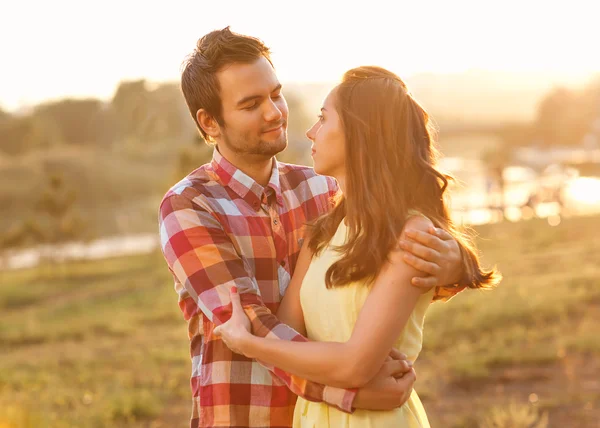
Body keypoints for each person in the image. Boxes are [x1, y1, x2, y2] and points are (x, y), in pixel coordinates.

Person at [158, 27, 469, 428]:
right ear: (210, 122)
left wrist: (454, 265)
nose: (274, 112)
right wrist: (351, 390)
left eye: (275, 94)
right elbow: (250, 324)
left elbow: (379, 282)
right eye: (252, 104)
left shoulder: (325, 189)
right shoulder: (189, 206)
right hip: (247, 415)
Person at [213, 66, 501, 427]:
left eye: (323, 118)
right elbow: (289, 332)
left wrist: (249, 344)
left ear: (361, 132)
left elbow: (355, 365)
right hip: (313, 417)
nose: (310, 131)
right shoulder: (322, 230)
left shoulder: (410, 235)